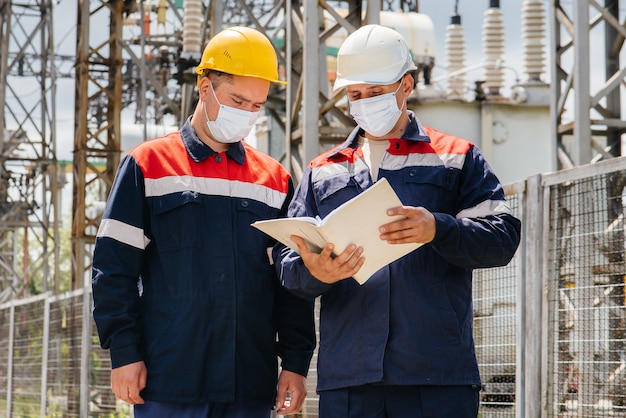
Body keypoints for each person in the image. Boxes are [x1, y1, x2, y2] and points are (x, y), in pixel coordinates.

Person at [273, 24, 521, 418]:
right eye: (356, 95)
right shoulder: (324, 171)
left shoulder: (456, 159)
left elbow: (502, 238)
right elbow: (288, 269)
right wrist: (316, 270)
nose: (364, 101)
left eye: (375, 92)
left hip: (436, 378)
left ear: (406, 85)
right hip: (350, 381)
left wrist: (439, 228)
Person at [91, 26, 316, 418]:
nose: (246, 114)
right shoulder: (147, 165)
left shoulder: (274, 180)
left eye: (256, 105)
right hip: (168, 381)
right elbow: (113, 270)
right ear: (204, 86)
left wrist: (295, 363)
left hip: (248, 384)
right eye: (237, 100)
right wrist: (123, 352)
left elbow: (289, 285)